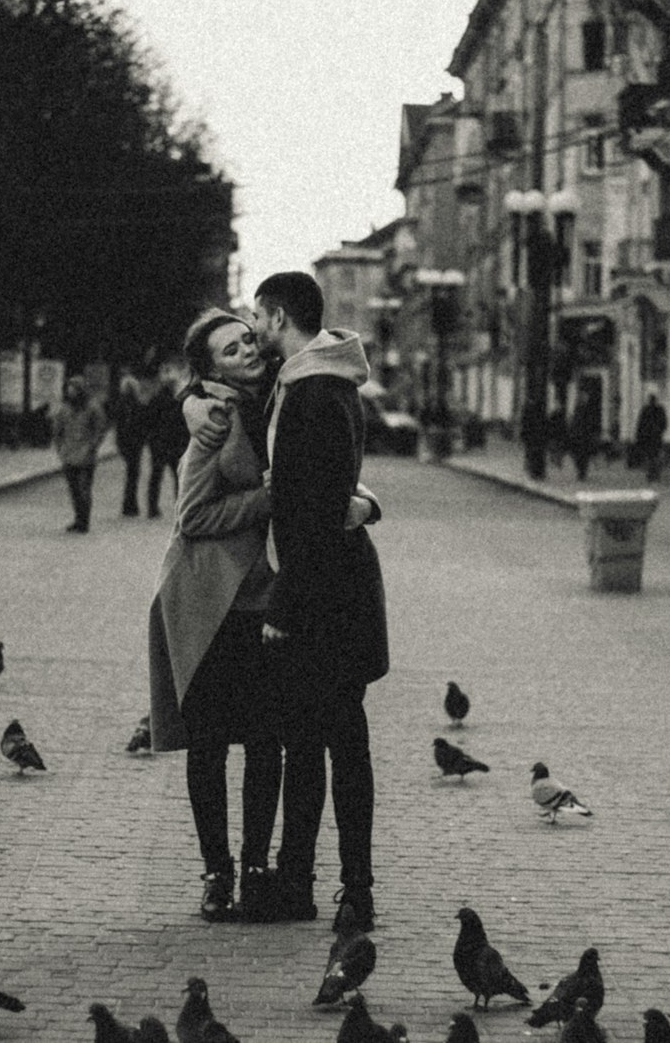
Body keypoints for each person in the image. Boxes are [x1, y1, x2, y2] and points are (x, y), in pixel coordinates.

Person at [164, 306, 380, 925]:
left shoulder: (289, 392)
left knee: (266, 742)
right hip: (215, 603)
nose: (247, 351)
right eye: (229, 352)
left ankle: (257, 869)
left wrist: (362, 502)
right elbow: (193, 517)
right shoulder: (215, 417)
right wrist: (269, 497)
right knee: (209, 745)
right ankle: (217, 874)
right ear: (210, 372)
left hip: (270, 598)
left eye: (247, 338)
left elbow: (324, 467)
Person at [253, 271, 388, 932]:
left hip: (328, 597)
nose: (253, 329)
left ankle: (355, 891)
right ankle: (298, 882)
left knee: (341, 747)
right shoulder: (304, 387)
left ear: (279, 318)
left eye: (258, 316)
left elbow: (317, 507)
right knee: (306, 745)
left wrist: (283, 602)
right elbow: (329, 494)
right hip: (322, 588)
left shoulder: (318, 393)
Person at [51, 375, 108, 534]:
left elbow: (100, 428)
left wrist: (92, 446)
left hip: (85, 454)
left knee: (84, 488)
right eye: (69, 388)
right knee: (74, 489)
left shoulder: (92, 407)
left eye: (74, 388)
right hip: (69, 453)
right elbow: (57, 430)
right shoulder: (64, 409)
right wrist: (60, 448)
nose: (71, 391)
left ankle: (84, 520)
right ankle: (78, 518)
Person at [115, 354, 159, 517]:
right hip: (135, 443)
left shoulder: (121, 405)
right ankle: (130, 504)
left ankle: (129, 504)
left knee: (132, 474)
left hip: (128, 442)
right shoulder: (138, 405)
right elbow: (144, 425)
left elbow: (120, 427)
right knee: (133, 474)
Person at [146, 366, 188, 519]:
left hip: (158, 444)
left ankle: (152, 507)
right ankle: (180, 506)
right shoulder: (178, 402)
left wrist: (151, 441)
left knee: (156, 476)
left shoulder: (155, 400)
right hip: (174, 444)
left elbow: (149, 423)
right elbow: (182, 425)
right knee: (178, 477)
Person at [631, 391, 668, 482]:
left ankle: (651, 474)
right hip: (655, 436)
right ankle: (655, 473)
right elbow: (664, 423)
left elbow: (640, 423)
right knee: (655, 455)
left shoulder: (646, 409)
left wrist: (638, 435)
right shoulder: (660, 410)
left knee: (650, 456)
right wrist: (660, 431)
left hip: (648, 436)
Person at [566, 391, 600, 481]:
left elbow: (590, 423)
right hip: (579, 437)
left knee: (583, 456)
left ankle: (582, 472)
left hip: (584, 437)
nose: (584, 400)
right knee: (579, 456)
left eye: (585, 398)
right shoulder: (578, 410)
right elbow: (575, 423)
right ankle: (581, 471)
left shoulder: (587, 410)